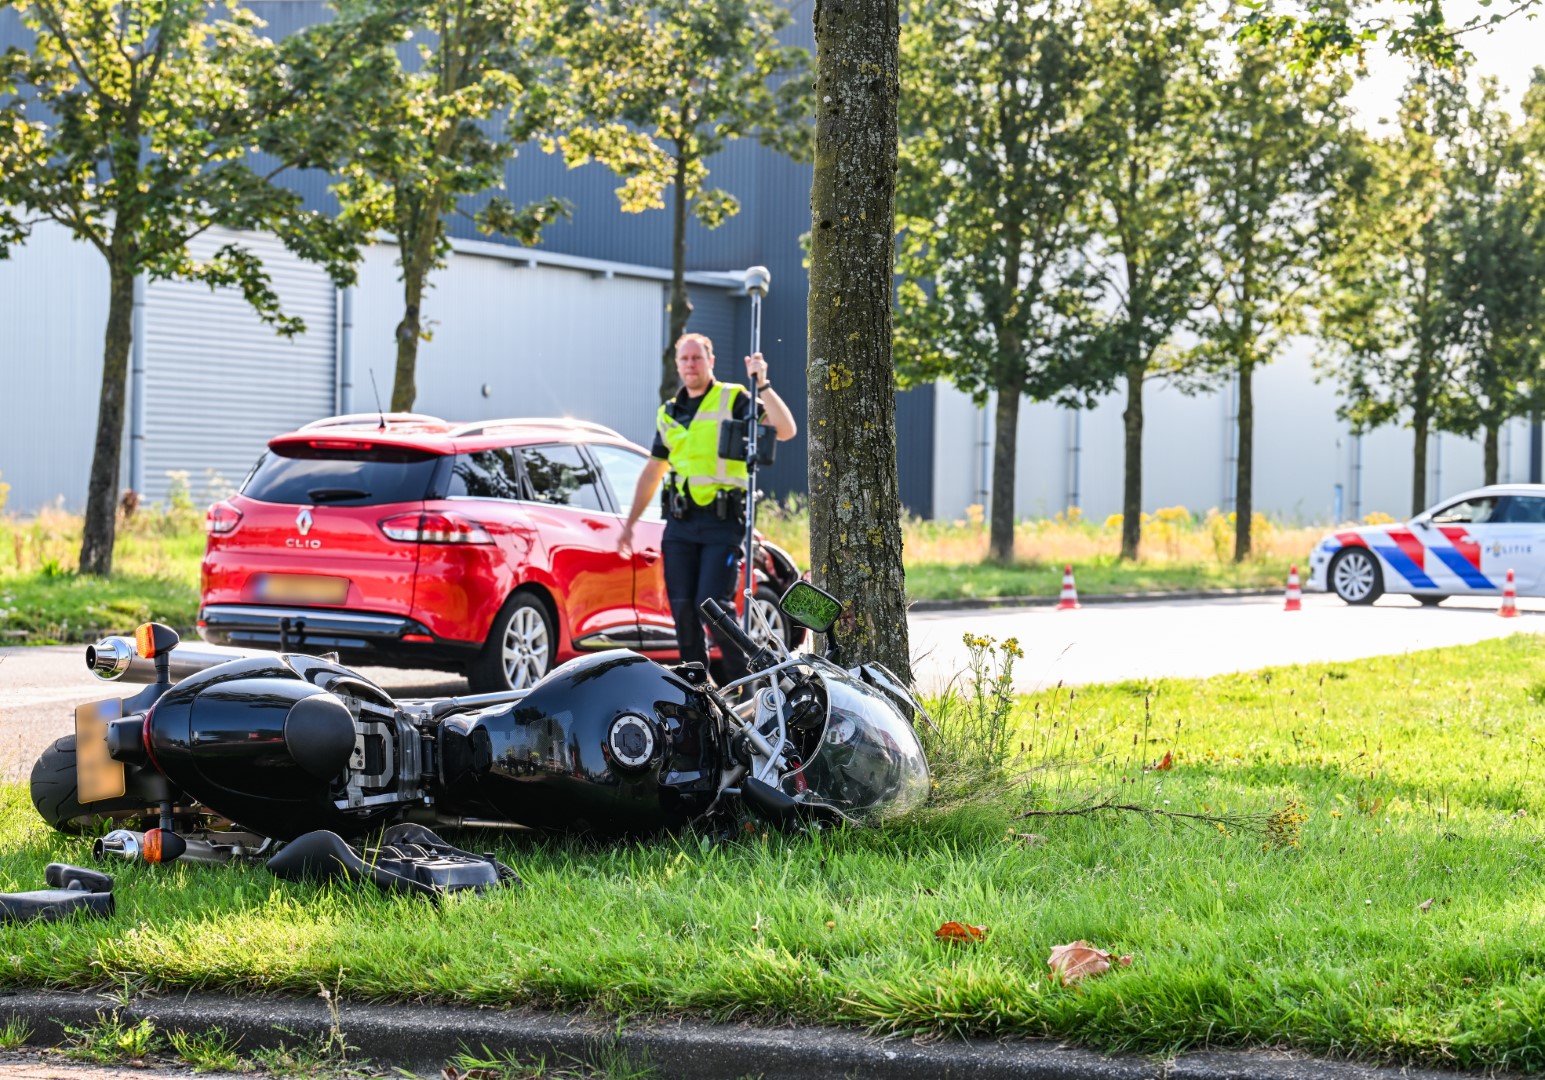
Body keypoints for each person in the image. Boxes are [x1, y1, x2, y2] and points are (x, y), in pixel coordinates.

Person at [618, 333, 797, 685]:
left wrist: (763, 384)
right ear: (676, 365)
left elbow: (786, 429)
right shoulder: (669, 412)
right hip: (681, 525)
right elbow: (654, 470)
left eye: (696, 358)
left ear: (710, 361)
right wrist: (630, 524)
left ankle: (749, 684)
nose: (689, 365)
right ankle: (698, 690)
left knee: (712, 606)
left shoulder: (734, 398)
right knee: (683, 610)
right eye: (683, 359)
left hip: (723, 523)